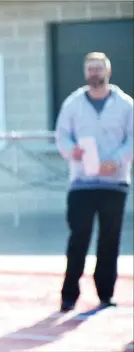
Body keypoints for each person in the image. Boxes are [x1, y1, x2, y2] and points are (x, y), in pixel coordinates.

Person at [55, 52, 133, 313]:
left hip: (115, 184)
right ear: (85, 73)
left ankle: (106, 294)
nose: (94, 73)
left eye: (99, 69)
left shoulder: (125, 105)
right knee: (79, 238)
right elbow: (62, 135)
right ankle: (69, 295)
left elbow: (132, 139)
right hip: (82, 183)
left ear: (108, 72)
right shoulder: (73, 104)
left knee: (109, 241)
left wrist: (118, 159)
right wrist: (71, 150)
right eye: (90, 69)